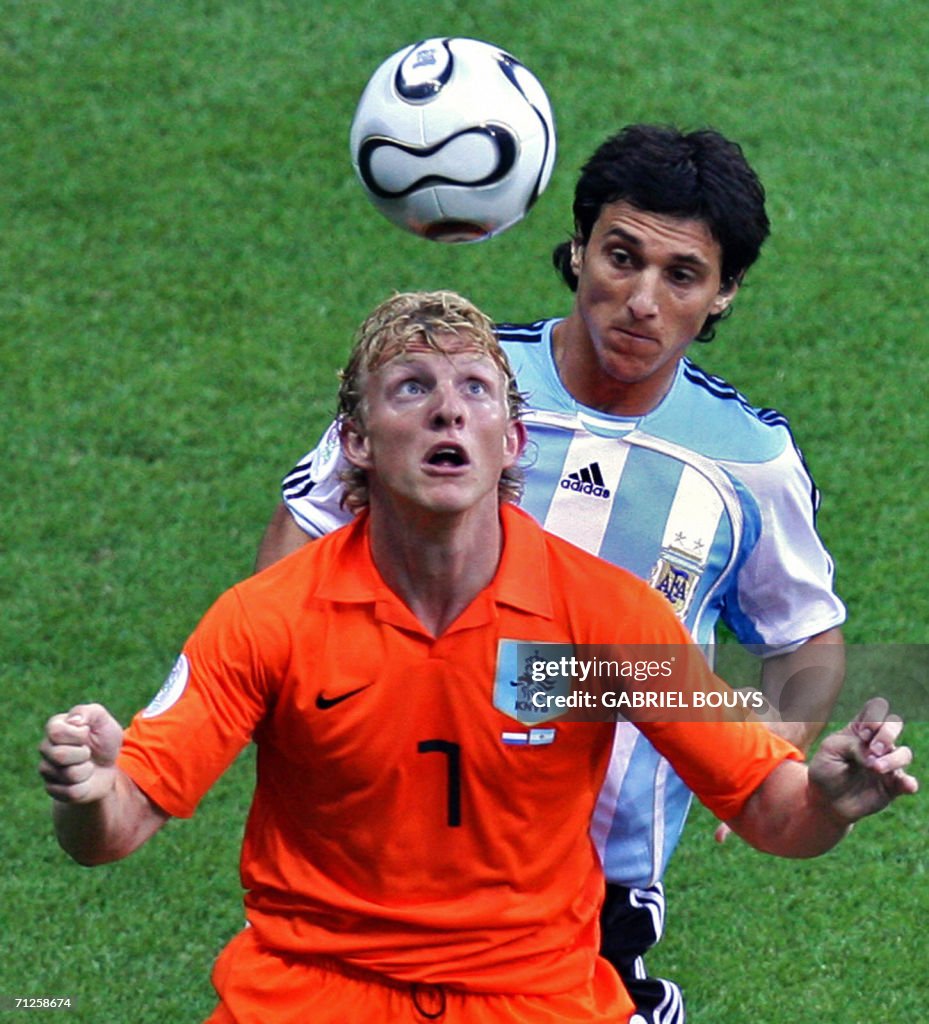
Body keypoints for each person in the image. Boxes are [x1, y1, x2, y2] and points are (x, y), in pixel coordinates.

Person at [40, 290, 915, 1024]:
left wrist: (831, 799)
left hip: (531, 998)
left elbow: (771, 808)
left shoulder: (604, 622)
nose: (447, 409)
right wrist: (88, 793)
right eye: (410, 388)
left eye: (475, 389)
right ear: (354, 440)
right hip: (310, 997)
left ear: (514, 441)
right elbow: (115, 827)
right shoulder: (267, 619)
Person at [254, 124, 848, 1023]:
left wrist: (769, 756)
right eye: (620, 256)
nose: (639, 299)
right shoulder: (456, 383)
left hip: (599, 869)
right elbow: (305, 530)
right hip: (387, 829)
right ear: (577, 250)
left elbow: (805, 635)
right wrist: (293, 701)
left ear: (722, 295)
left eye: (680, 276)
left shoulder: (748, 463)